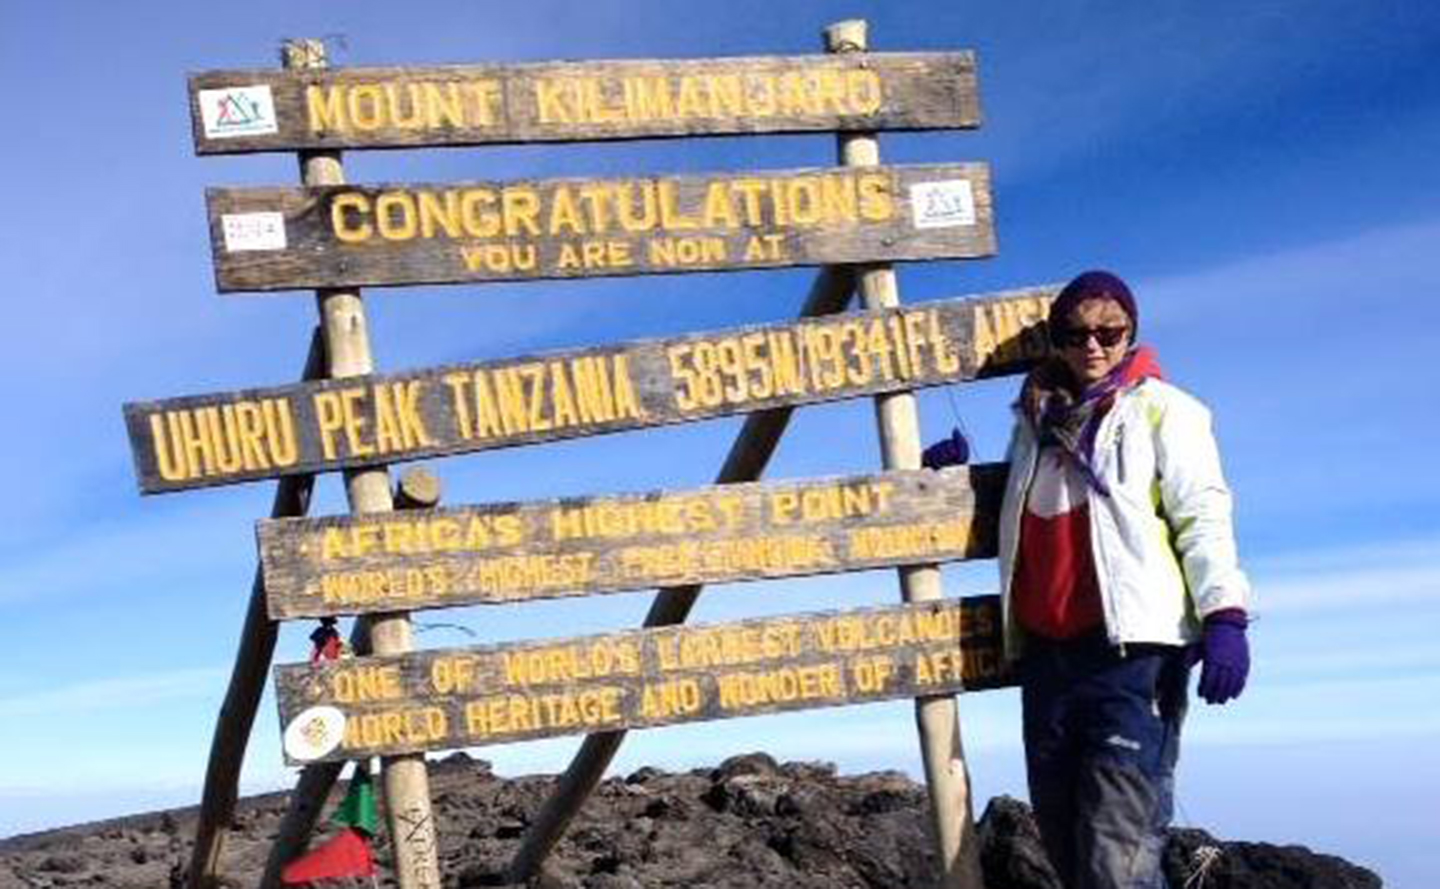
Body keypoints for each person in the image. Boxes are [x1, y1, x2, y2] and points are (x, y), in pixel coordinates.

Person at [924, 270, 1251, 889]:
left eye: (1109, 331)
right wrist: (940, 483)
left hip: (1132, 661)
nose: (1092, 346)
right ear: (1056, 339)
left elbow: (1202, 514)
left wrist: (1225, 614)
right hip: (1047, 664)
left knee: (1116, 864)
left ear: (1132, 334)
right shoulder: (1034, 426)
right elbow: (1019, 526)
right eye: (1074, 333)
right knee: (1067, 850)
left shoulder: (1165, 411)